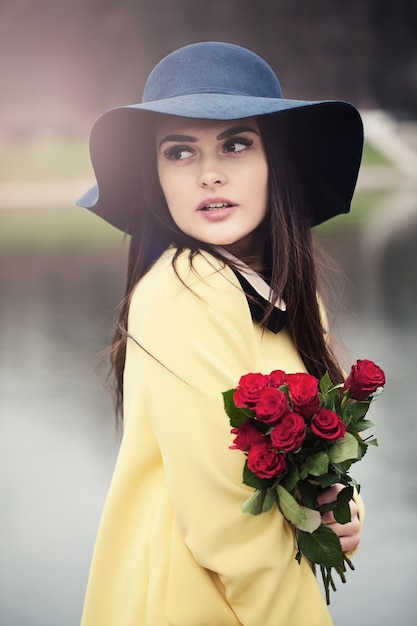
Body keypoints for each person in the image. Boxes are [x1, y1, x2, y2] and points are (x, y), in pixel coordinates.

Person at [77, 41, 364, 626]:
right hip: (187, 603)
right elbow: (226, 520)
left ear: (273, 160)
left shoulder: (290, 295)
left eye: (236, 144)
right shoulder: (187, 289)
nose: (209, 173)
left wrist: (341, 504)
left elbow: (317, 451)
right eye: (179, 152)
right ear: (156, 178)